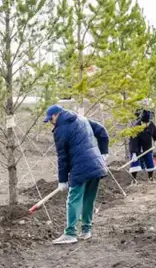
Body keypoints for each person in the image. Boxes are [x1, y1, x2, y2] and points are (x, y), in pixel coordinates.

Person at [45, 105, 110, 245]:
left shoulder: (61, 129)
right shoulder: (82, 119)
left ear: (56, 114)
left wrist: (62, 180)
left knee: (73, 198)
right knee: (88, 198)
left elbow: (62, 157)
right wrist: (103, 153)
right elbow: (102, 132)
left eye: (50, 118)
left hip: (81, 166)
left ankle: (70, 233)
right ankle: (86, 230)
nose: (50, 121)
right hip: (97, 165)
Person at [128, 110, 156, 182]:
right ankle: (134, 180)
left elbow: (155, 132)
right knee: (134, 164)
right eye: (145, 123)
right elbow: (133, 142)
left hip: (147, 147)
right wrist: (133, 153)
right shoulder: (136, 128)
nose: (146, 124)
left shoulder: (151, 124)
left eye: (147, 123)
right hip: (137, 148)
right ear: (142, 122)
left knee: (150, 163)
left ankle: (150, 178)